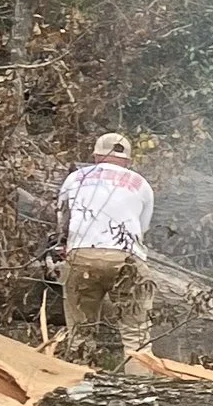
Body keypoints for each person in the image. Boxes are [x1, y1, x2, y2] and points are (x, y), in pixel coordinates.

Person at [54, 130, 155, 369]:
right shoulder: (141, 184)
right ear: (129, 161)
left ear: (96, 156)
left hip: (82, 255)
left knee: (80, 333)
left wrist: (65, 245)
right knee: (136, 335)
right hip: (127, 258)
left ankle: (80, 392)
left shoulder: (75, 178)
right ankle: (139, 394)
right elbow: (142, 228)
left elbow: (62, 219)